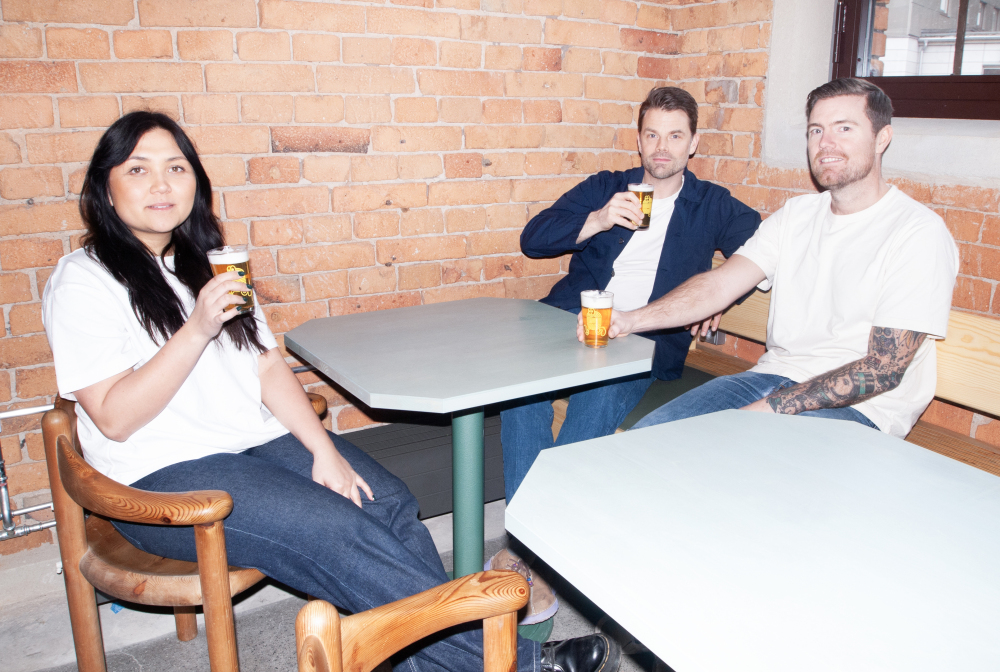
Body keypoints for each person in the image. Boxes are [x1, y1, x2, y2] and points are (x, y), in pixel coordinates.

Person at [42, 112, 620, 672]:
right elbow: (114, 418)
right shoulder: (84, 279)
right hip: (161, 476)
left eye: (176, 167)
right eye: (138, 169)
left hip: (251, 444)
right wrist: (196, 329)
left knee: (387, 502)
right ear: (105, 187)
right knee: (337, 533)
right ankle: (514, 664)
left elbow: (266, 366)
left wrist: (324, 451)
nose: (162, 184)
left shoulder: (207, 264)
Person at [492, 87, 760, 622]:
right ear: (639, 140)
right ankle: (533, 544)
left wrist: (722, 298)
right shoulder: (607, 187)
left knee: (596, 399)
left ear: (693, 144)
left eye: (675, 136)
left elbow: (766, 250)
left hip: (644, 340)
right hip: (570, 323)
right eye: (652, 134)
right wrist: (596, 219)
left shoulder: (712, 203)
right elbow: (532, 239)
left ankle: (532, 556)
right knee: (521, 397)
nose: (662, 147)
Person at [600, 78, 958, 435]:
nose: (826, 143)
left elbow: (883, 370)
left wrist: (767, 409)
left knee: (732, 457)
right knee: (647, 440)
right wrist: (630, 321)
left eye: (844, 128)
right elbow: (719, 286)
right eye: (816, 130)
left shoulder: (916, 232)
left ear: (882, 138)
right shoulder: (797, 215)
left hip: (862, 410)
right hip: (768, 378)